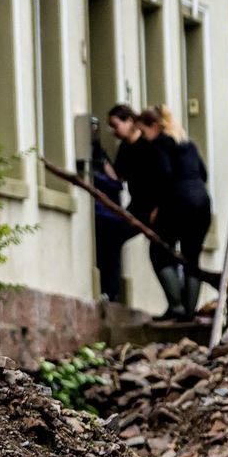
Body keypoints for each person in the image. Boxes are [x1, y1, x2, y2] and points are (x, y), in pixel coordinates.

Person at [138, 105, 212, 321]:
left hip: (177, 202)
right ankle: (189, 314)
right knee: (192, 258)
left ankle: (176, 306)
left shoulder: (159, 144)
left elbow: (163, 175)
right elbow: (204, 174)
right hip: (201, 203)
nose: (143, 137)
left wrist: (155, 208)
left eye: (143, 132)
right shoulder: (187, 144)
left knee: (159, 252)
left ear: (154, 126)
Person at [106, 104, 171, 307]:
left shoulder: (149, 145)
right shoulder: (124, 148)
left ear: (129, 121)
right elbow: (118, 177)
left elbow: (163, 178)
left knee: (164, 252)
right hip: (137, 207)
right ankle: (112, 291)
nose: (114, 131)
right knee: (113, 237)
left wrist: (158, 209)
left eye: (115, 125)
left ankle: (179, 302)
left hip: (153, 206)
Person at [90, 129, 133, 303]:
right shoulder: (100, 156)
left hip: (107, 213)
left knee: (109, 252)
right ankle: (110, 290)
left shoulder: (99, 155)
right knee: (109, 252)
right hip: (106, 213)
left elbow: (115, 180)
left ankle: (110, 290)